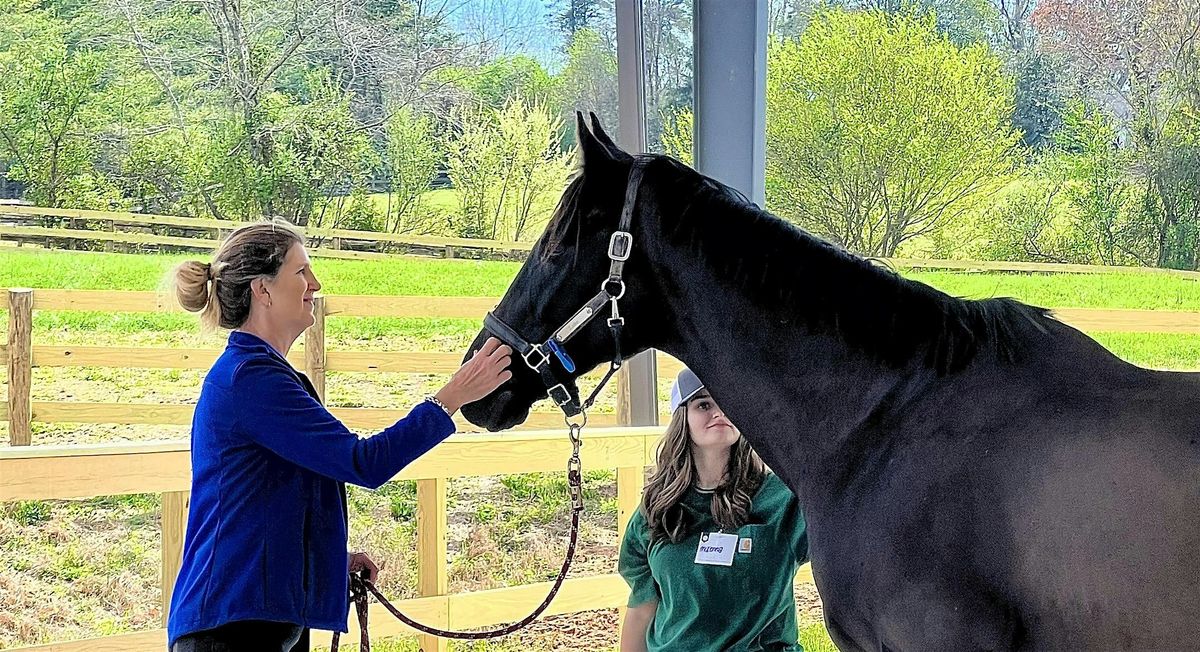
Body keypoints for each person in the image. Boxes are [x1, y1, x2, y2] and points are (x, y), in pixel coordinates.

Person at [166, 220, 513, 652]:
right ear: (263, 289)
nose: (314, 284)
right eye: (301, 271)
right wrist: (454, 395)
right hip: (231, 629)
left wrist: (331, 562)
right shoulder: (251, 380)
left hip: (256, 620)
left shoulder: (261, 376)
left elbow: (271, 503)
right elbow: (362, 462)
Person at [618, 368, 809, 652]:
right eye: (704, 404)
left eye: (728, 402)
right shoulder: (657, 509)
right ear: (682, 417)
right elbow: (643, 608)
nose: (719, 413)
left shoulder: (784, 499)